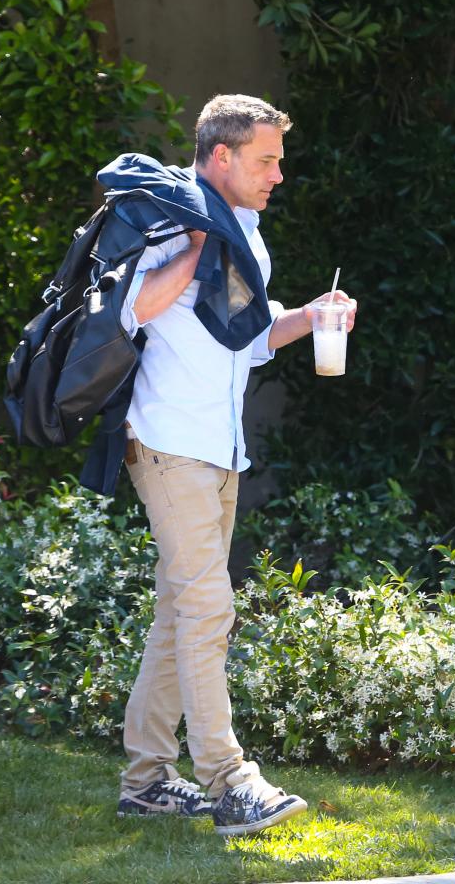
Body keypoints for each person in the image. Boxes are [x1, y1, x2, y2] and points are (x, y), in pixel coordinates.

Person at [113, 94, 357, 836]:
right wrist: (193, 245)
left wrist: (309, 317)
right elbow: (132, 310)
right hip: (168, 443)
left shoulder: (247, 234)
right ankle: (228, 779)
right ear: (222, 155)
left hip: (219, 450)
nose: (278, 174)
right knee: (208, 608)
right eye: (267, 159)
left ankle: (147, 779)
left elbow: (245, 342)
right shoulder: (168, 217)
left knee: (176, 615)